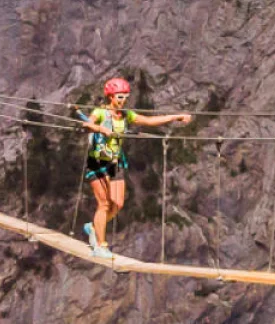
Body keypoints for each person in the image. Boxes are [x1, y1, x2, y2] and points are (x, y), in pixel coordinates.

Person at [80, 77, 192, 259]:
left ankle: (94, 227)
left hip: (116, 162)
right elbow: (87, 123)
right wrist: (101, 129)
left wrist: (175, 117)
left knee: (118, 204)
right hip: (99, 163)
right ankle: (100, 245)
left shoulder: (126, 115)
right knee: (104, 204)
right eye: (119, 97)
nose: (123, 100)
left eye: (125, 97)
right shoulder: (101, 112)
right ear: (110, 96)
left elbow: (149, 121)